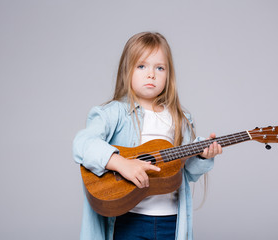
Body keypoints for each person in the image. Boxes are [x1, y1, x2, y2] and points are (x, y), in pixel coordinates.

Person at [73, 32, 222, 240]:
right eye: (142, 66)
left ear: (168, 75)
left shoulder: (180, 119)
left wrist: (203, 157)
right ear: (127, 71)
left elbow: (186, 173)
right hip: (127, 220)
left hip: (171, 221)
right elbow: (83, 144)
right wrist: (120, 163)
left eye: (159, 68)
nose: (151, 74)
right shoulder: (113, 113)